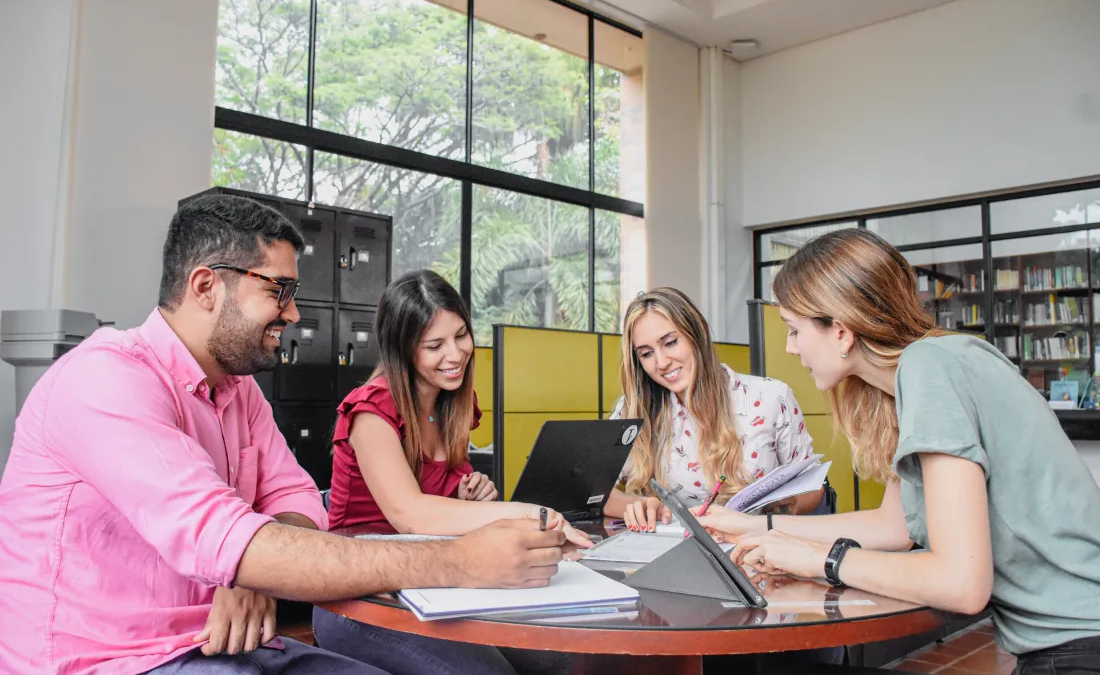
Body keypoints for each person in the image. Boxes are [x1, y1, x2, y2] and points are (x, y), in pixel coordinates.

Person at [0, 194, 566, 675]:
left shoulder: (239, 390)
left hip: (226, 639)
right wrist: (460, 561)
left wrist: (249, 567)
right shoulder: (105, 379)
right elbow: (225, 537)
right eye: (280, 290)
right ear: (205, 286)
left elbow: (295, 499)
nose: (293, 315)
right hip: (113, 659)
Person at [694, 228, 1100, 674]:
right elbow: (893, 527)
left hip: (1080, 647)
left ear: (841, 332)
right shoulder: (932, 366)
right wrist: (756, 526)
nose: (790, 348)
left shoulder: (930, 369)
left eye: (794, 330)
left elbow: (961, 583)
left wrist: (818, 559)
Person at [315, 269, 588, 675]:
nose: (456, 354)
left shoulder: (450, 402)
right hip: (361, 596)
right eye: (435, 345)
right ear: (403, 350)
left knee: (560, 657)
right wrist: (528, 512)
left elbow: (438, 503)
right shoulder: (371, 410)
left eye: (461, 335)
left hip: (435, 581)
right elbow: (411, 515)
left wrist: (467, 496)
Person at [602, 287, 825, 532]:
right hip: (677, 548)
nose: (662, 362)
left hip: (758, 544)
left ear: (697, 334)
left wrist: (778, 509)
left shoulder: (771, 397)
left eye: (671, 343)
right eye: (646, 354)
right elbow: (593, 492)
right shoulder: (634, 409)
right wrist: (642, 505)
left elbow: (813, 488)